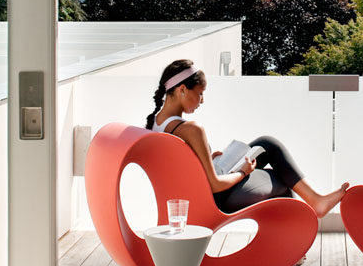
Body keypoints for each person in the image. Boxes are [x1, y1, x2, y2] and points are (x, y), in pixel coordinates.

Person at [145, 59, 349, 217]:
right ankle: (313, 206)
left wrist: (209, 160)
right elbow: (215, 185)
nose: (202, 100)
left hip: (191, 197)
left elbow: (184, 170)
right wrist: (243, 172)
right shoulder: (191, 129)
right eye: (200, 93)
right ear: (182, 90)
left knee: (266, 144)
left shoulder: (155, 124)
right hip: (215, 198)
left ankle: (313, 204)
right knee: (281, 178)